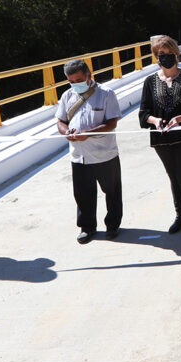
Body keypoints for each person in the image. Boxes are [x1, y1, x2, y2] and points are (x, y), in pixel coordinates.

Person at [139, 35, 181, 236]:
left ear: (177, 55)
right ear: (156, 57)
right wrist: (155, 121)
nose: (166, 57)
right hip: (161, 138)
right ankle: (180, 215)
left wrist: (180, 119)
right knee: (172, 176)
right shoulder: (150, 82)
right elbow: (144, 113)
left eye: (170, 53)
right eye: (162, 54)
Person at [56, 59, 122, 244]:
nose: (74, 84)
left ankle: (113, 225)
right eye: (71, 81)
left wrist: (89, 133)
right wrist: (66, 132)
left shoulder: (106, 94)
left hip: (104, 153)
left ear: (89, 75)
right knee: (82, 194)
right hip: (79, 156)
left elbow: (112, 123)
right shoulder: (67, 96)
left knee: (112, 191)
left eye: (78, 79)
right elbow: (60, 121)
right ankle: (87, 228)